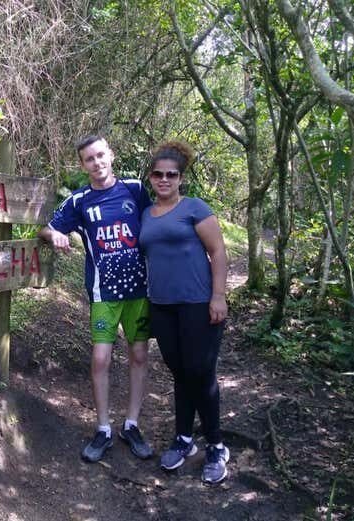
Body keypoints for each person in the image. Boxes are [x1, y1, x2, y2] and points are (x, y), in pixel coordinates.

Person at [39, 135, 153, 463]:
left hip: (139, 290)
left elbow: (157, 221)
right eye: (89, 159)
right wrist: (56, 234)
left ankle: (132, 425)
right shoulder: (80, 201)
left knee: (140, 354)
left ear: (111, 155)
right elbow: (45, 229)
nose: (97, 163)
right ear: (82, 165)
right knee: (101, 358)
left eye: (101, 155)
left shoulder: (134, 189)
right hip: (103, 292)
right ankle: (102, 428)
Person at [138, 141, 230, 483]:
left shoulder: (195, 208)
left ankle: (217, 445)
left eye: (171, 175)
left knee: (200, 371)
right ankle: (184, 439)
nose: (164, 179)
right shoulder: (146, 213)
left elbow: (218, 252)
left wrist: (218, 296)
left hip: (197, 303)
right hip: (161, 305)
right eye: (158, 174)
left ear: (180, 178)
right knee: (180, 372)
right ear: (150, 177)